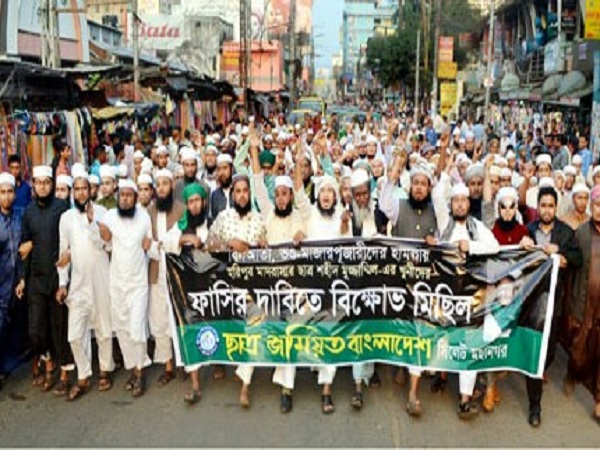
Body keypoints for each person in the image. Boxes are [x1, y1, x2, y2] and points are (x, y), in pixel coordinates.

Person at [435, 182, 501, 420]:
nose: (460, 205)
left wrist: (470, 246)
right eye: (456, 201)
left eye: (464, 201)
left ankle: (465, 399)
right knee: (444, 339)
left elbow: (494, 246)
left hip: (472, 298)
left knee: (469, 344)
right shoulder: (444, 225)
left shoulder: (477, 227)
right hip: (447, 295)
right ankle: (441, 376)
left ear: (468, 204)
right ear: (451, 204)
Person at [520, 186, 583, 427]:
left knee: (548, 354)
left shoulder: (565, 232)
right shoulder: (528, 230)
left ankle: (540, 370)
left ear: (556, 208)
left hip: (554, 302)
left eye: (551, 206)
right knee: (535, 354)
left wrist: (561, 253)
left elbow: (578, 259)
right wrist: (522, 245)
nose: (546, 210)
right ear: (538, 207)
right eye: (543, 206)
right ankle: (535, 406)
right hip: (531, 303)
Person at [206, 174, 267, 408]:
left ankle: (245, 385)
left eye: (245, 191)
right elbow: (208, 245)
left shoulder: (258, 220)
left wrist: (264, 245)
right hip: (226, 288)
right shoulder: (224, 218)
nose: (242, 195)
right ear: (232, 194)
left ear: (250, 194)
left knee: (255, 330)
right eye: (238, 191)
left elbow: (268, 251)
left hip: (253, 289)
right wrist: (228, 243)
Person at [56, 170, 114, 401]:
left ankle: (105, 370)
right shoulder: (66, 218)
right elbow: (63, 253)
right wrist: (63, 283)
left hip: (100, 278)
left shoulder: (102, 213)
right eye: (77, 189)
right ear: (73, 192)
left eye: (84, 188)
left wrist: (92, 223)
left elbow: (107, 245)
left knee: (103, 329)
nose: (81, 193)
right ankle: (83, 374)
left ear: (91, 190)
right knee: (74, 335)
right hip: (78, 283)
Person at [19, 165, 73, 395]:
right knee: (36, 331)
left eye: (46, 183)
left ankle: (62, 374)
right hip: (36, 280)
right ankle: (47, 361)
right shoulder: (28, 212)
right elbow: (24, 248)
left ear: (52, 184)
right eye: (39, 183)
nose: (43, 187)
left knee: (59, 329)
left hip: (57, 279)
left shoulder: (62, 208)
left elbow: (72, 237)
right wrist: (22, 279)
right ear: (33, 185)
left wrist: (69, 254)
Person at [99, 180, 153, 398]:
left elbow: (150, 243)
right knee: (122, 329)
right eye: (122, 195)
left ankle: (140, 373)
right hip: (117, 283)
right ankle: (133, 369)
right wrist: (102, 232)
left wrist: (149, 245)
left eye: (130, 195)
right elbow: (104, 240)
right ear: (118, 196)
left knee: (137, 328)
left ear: (135, 197)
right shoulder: (110, 216)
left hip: (138, 283)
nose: (125, 199)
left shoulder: (144, 217)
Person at [165, 183, 210, 405]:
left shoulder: (212, 223)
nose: (194, 206)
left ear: (203, 202)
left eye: (197, 201)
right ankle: (195, 384)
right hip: (190, 290)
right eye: (190, 202)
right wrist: (185, 239)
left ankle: (218, 363)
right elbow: (165, 243)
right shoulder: (181, 226)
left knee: (216, 326)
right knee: (191, 330)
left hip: (212, 289)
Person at [565, 185, 600, 423]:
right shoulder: (581, 234)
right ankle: (572, 372)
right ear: (591, 206)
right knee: (579, 348)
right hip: (583, 301)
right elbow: (572, 271)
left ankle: (598, 400)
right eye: (597, 205)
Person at [146, 169, 185, 385]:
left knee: (178, 319)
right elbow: (145, 242)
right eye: (158, 184)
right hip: (156, 272)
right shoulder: (149, 212)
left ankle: (183, 361)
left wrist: (159, 245)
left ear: (172, 186)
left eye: (165, 184)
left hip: (176, 273)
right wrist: (160, 246)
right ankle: (168, 365)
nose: (161, 188)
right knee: (159, 320)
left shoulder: (181, 210)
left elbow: (180, 241)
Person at [0, 173, 24, 390]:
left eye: (9, 192)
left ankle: (5, 367)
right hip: (1, 284)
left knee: (11, 328)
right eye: (2, 192)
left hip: (16, 284)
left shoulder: (20, 216)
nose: (6, 197)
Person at [7, 154, 32, 221]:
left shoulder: (26, 187)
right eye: (12, 168)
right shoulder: (4, 188)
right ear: (9, 168)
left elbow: (30, 207)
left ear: (20, 168)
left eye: (17, 168)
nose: (14, 171)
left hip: (24, 222)